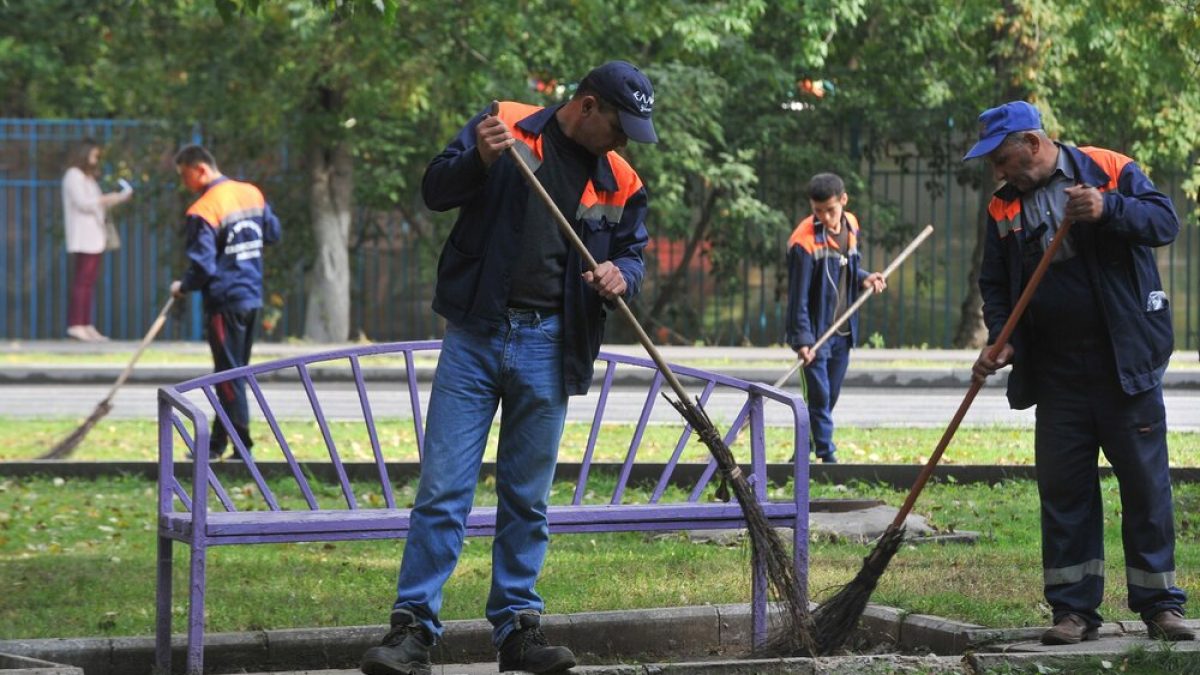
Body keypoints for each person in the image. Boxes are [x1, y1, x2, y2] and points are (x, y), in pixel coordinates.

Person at [360, 60, 656, 675]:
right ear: (588, 106)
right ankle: (412, 630)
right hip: (476, 335)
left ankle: (518, 631)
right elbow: (436, 190)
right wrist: (480, 160)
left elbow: (633, 250)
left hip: (552, 344)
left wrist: (621, 275)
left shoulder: (622, 181)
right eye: (620, 126)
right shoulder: (505, 126)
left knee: (528, 500)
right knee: (443, 492)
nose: (624, 140)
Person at [966, 101, 1193, 645]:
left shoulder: (1109, 169)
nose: (998, 172)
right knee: (1065, 493)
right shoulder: (1003, 208)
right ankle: (1073, 611)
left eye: (1002, 159)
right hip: (1057, 372)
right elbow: (996, 286)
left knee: (1145, 487)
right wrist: (1006, 339)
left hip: (1124, 362)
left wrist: (1108, 208)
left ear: (1033, 144)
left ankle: (1160, 606)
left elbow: (1165, 222)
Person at [169, 145, 281, 460]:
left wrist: (183, 286)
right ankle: (217, 445)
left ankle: (242, 444)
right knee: (231, 371)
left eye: (184, 175)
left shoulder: (204, 209)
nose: (184, 183)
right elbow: (272, 233)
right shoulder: (251, 193)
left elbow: (203, 266)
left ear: (200, 169)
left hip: (225, 301)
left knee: (229, 375)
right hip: (251, 296)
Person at [784, 173, 885, 464]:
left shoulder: (851, 225)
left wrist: (866, 279)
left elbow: (848, 271)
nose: (826, 218)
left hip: (842, 331)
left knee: (828, 399)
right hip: (815, 336)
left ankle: (800, 457)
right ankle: (829, 462)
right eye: (818, 211)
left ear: (843, 200)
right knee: (819, 399)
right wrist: (802, 340)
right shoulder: (804, 242)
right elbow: (798, 297)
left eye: (831, 210)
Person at [61, 138, 133, 342]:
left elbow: (97, 204)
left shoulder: (88, 177)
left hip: (94, 235)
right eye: (93, 155)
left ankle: (86, 324)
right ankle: (76, 324)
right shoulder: (73, 175)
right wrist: (108, 198)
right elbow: (84, 204)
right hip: (83, 235)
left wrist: (118, 199)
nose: (95, 159)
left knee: (88, 282)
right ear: (84, 153)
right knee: (82, 281)